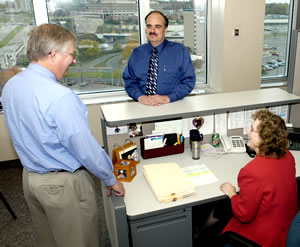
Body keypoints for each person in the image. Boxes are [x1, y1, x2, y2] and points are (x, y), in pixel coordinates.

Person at [1, 23, 125, 247]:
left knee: (49, 240)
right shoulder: (60, 97)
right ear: (53, 54)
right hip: (62, 186)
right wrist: (111, 178)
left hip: (30, 181)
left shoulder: (11, 86)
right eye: (71, 54)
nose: (74, 60)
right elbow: (84, 148)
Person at [220, 109, 299, 247]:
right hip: (288, 227)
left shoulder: (251, 172)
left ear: (264, 139)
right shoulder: (288, 156)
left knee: (223, 217)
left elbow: (244, 215)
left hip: (267, 238)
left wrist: (232, 193)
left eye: (252, 129)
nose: (248, 131)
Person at [123, 10, 196, 106]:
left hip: (172, 105)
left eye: (157, 27)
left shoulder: (180, 51)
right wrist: (140, 97)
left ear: (165, 30)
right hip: (143, 107)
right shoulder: (136, 53)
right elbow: (129, 81)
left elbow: (188, 82)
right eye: (149, 26)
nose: (152, 31)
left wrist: (167, 98)